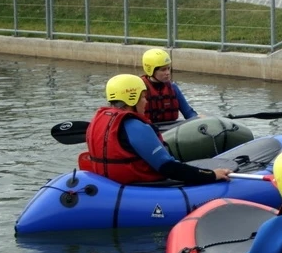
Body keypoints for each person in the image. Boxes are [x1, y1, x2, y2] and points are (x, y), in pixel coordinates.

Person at [84, 73, 232, 186]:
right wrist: (211, 175)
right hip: (139, 187)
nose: (146, 102)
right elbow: (168, 168)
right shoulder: (135, 126)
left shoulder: (98, 119)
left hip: (108, 185)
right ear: (131, 99)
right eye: (143, 97)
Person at [140, 48, 199, 124]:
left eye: (168, 68)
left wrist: (198, 120)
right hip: (149, 130)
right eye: (163, 70)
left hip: (170, 131)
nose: (167, 73)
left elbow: (189, 113)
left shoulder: (173, 88)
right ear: (151, 70)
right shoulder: (140, 89)